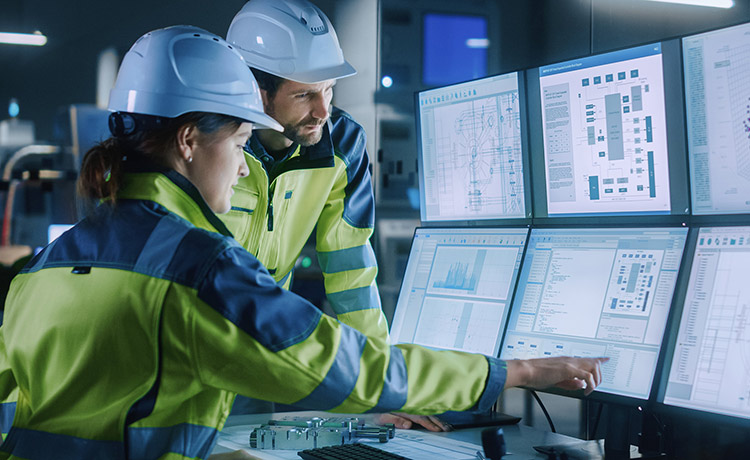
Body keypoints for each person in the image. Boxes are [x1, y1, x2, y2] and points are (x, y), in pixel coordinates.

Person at [0, 24, 608, 459]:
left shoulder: (43, 267)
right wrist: (516, 371)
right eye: (237, 145)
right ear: (189, 140)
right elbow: (354, 369)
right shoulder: (197, 269)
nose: (240, 168)